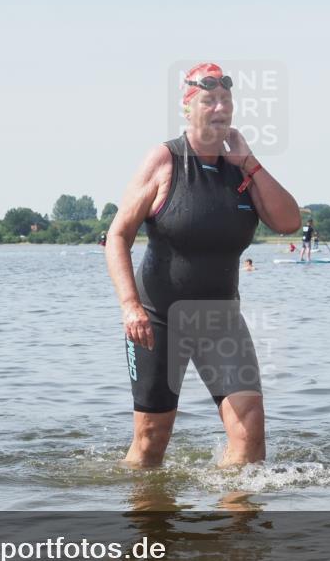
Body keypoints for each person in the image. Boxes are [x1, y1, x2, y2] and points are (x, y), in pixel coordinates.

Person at [106, 62, 300, 468]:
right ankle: (148, 527)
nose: (220, 108)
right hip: (158, 320)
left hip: (221, 321)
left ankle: (234, 530)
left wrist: (249, 162)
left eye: (226, 101)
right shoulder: (165, 160)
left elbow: (288, 222)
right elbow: (118, 236)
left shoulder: (240, 171)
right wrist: (130, 306)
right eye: (209, 100)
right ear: (187, 107)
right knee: (151, 442)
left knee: (250, 441)